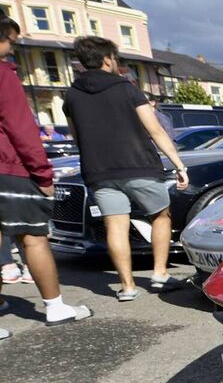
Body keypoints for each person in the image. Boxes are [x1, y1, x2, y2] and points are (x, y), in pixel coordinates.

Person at [64, 36, 189, 301]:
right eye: (114, 58)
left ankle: (127, 286)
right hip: (139, 165)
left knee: (115, 226)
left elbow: (77, 137)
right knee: (160, 215)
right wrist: (179, 165)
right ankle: (160, 273)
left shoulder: (72, 95)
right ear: (107, 59)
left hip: (99, 171)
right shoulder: (127, 89)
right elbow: (155, 129)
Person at [0, 16, 92, 337]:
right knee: (33, 237)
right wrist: (43, 174)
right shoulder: (4, 75)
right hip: (8, 170)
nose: (12, 50)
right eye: (11, 43)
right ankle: (55, 306)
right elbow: (20, 128)